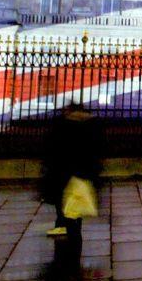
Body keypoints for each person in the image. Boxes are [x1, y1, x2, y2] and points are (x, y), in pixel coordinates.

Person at [41, 102, 105, 239]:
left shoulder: (65, 125)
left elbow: (54, 147)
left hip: (66, 169)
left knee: (64, 198)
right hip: (83, 170)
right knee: (74, 199)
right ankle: (71, 225)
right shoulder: (92, 124)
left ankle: (64, 225)